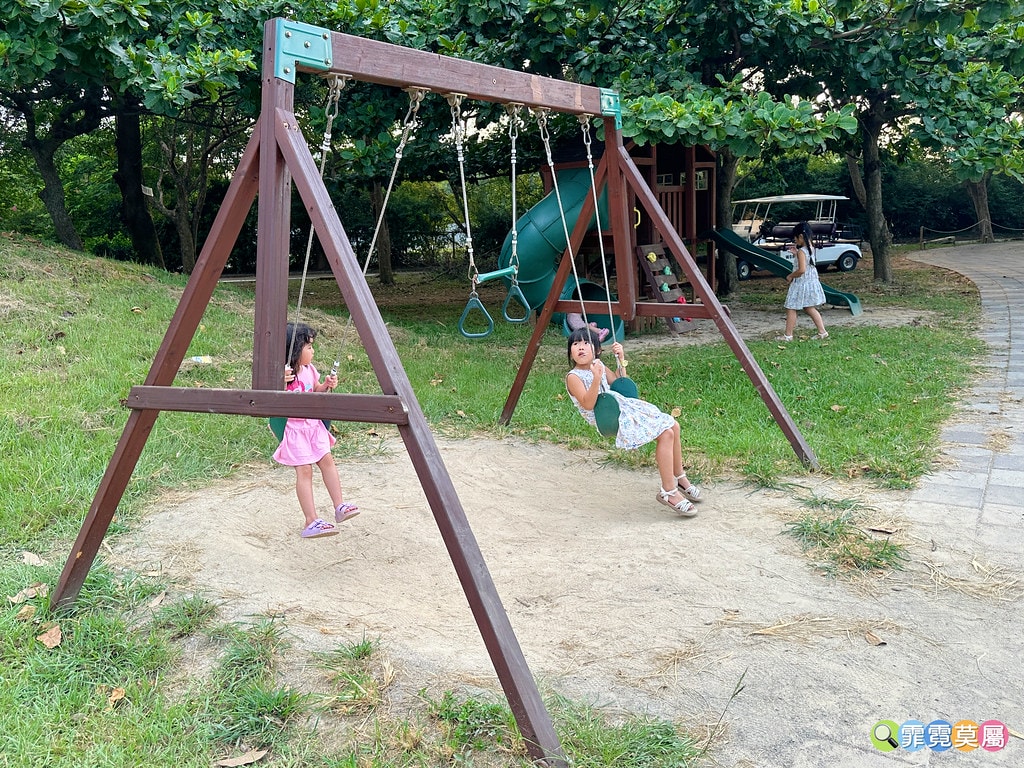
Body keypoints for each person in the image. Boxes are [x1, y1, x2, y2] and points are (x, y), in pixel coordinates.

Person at [564, 327, 702, 517]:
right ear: (570, 351)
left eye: (586, 343)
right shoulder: (573, 377)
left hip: (623, 407)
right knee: (666, 433)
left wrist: (621, 359)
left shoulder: (599, 365)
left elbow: (619, 383)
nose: (581, 347)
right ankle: (669, 492)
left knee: (673, 425)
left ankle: (679, 478)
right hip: (607, 417)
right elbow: (588, 404)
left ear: (597, 350)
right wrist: (596, 378)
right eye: (575, 344)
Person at [273, 322, 359, 538]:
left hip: (313, 425)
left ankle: (339, 506)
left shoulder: (310, 370)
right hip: (294, 428)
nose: (313, 351)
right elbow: (274, 398)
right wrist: (280, 381)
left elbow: (315, 390)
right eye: (309, 347)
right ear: (295, 350)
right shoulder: (284, 374)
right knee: (305, 470)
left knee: (327, 461)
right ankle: (310, 520)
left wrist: (326, 385)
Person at [778, 221, 829, 341]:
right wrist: (796, 254)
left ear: (801, 236)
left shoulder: (802, 251)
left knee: (791, 307)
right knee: (809, 307)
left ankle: (788, 336)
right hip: (811, 281)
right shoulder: (811, 248)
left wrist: (790, 276)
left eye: (795, 238)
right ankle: (822, 332)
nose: (795, 240)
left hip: (801, 283)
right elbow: (807, 262)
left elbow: (801, 270)